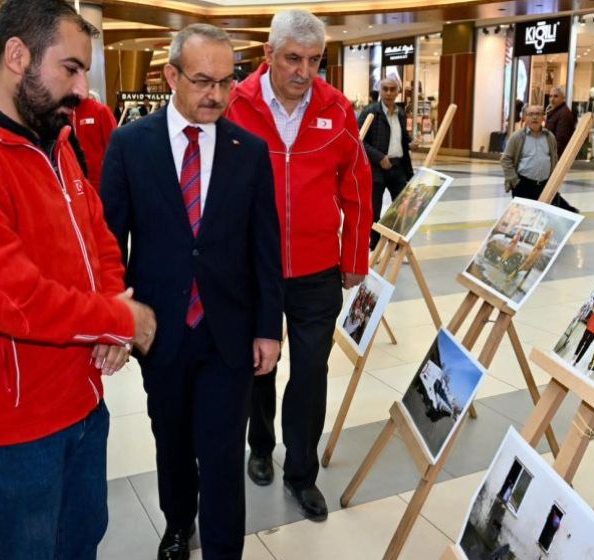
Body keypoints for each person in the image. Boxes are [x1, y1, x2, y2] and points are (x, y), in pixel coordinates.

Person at [0, 1, 157, 557]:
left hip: (80, 401)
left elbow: (99, 238)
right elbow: (2, 295)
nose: (83, 88)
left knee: (79, 543)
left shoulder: (53, 142)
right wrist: (120, 318)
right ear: (17, 55)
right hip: (4, 430)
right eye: (71, 68)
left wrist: (110, 305)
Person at [102, 24, 283, 560]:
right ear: (171, 75)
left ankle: (225, 548)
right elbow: (110, 242)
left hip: (228, 331)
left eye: (228, 82)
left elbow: (265, 248)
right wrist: (118, 315)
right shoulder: (130, 144)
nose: (217, 95)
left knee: (224, 451)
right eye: (203, 81)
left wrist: (268, 329)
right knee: (172, 440)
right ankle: (179, 523)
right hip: (161, 331)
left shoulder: (247, 150)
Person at [226, 9, 372, 522]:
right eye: (292, 58)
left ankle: (302, 472)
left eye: (313, 60)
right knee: (258, 365)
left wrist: (356, 255)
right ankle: (261, 446)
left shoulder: (337, 110)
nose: (303, 71)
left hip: (316, 268)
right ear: (269, 55)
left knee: (311, 370)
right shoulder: (236, 104)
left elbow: (356, 185)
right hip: (253, 267)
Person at [359, 77, 418, 249]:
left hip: (398, 167)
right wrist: (379, 157)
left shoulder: (400, 113)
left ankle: (396, 247)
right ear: (380, 90)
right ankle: (375, 246)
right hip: (376, 169)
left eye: (393, 89)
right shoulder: (371, 112)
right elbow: (359, 140)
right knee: (374, 211)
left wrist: (410, 143)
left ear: (398, 92)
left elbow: (401, 139)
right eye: (385, 89)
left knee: (403, 209)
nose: (389, 93)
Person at [500, 104, 577, 212]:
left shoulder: (550, 137)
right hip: (523, 185)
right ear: (525, 118)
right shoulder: (517, 137)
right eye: (530, 114)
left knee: (565, 211)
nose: (534, 117)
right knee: (526, 218)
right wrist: (515, 181)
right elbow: (506, 159)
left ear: (543, 117)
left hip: (545, 185)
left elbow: (554, 159)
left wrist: (554, 180)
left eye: (538, 114)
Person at [72, 90, 117, 186]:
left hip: (98, 180)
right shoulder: (64, 114)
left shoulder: (100, 111)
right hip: (75, 180)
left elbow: (114, 146)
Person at [544, 86, 576, 159]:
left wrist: (551, 156)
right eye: (550, 96)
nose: (552, 99)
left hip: (556, 155)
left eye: (556, 96)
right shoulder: (555, 111)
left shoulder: (564, 114)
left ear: (563, 98)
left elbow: (560, 140)